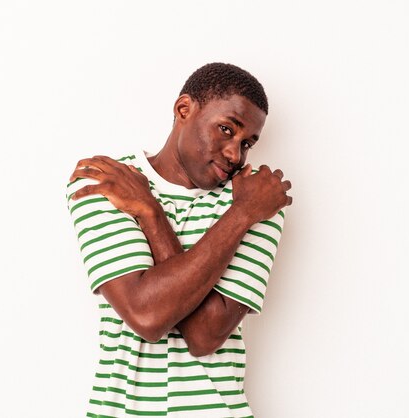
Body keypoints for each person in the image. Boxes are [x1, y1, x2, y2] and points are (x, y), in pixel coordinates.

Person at [66, 62, 292, 417]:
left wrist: (151, 213)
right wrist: (240, 215)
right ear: (184, 109)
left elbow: (205, 335)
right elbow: (146, 312)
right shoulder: (108, 183)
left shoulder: (258, 203)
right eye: (225, 129)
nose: (236, 154)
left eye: (247, 143)